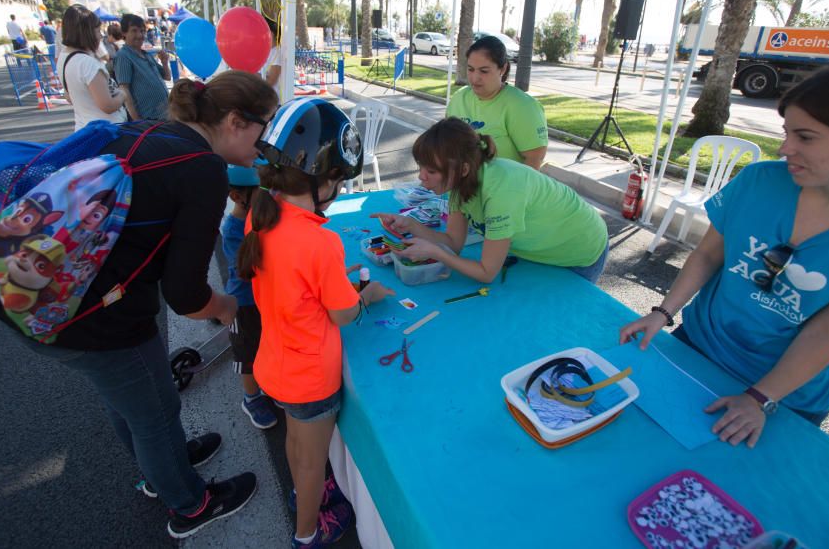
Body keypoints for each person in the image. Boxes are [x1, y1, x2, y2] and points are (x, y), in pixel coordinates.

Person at [0, 70, 279, 538]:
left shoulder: (153, 130)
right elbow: (185, 295)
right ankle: (190, 503)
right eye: (267, 128)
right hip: (92, 315)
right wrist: (225, 307)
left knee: (129, 404)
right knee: (155, 413)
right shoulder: (203, 170)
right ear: (238, 121)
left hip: (35, 291)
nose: (267, 145)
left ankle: (165, 465)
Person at [619, 58, 829, 448]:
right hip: (698, 345)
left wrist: (759, 397)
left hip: (785, 392)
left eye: (805, 137)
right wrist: (662, 312)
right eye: (787, 132)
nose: (785, 148)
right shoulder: (759, 180)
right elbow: (707, 255)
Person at [238, 98, 394, 548]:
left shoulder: (260, 214)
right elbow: (343, 313)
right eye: (339, 181)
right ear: (320, 179)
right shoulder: (319, 242)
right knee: (311, 462)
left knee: (298, 447)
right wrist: (369, 295)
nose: (340, 190)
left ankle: (303, 493)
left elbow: (294, 283)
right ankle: (307, 532)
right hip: (310, 379)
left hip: (274, 364)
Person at [374, 117, 609, 285]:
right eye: (421, 167)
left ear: (463, 168)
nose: (421, 177)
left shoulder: (501, 193)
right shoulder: (460, 182)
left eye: (431, 171)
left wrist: (437, 253)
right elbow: (454, 242)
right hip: (542, 249)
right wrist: (411, 225)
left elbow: (487, 273)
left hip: (581, 248)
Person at [220, 164, 277, 430]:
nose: (268, 195)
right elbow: (245, 270)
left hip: (265, 297)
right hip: (243, 303)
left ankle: (268, 386)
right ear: (236, 196)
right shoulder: (233, 228)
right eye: (261, 191)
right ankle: (251, 398)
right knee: (247, 354)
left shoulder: (262, 215)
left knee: (267, 344)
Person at [446, 35, 548, 170]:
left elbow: (534, 159)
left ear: (503, 69)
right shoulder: (459, 98)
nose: (475, 78)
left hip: (505, 189)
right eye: (470, 69)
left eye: (484, 71)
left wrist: (514, 191)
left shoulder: (523, 106)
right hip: (462, 188)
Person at [58, 4, 130, 129]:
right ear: (86, 33)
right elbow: (107, 105)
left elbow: (69, 96)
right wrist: (123, 94)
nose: (101, 36)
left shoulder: (64, 58)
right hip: (108, 132)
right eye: (97, 31)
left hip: (85, 129)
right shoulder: (87, 64)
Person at [115, 14, 171, 120]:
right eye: (134, 31)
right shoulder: (123, 56)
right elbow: (124, 89)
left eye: (142, 31)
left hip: (165, 115)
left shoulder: (146, 55)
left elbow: (167, 77)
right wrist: (137, 121)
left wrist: (164, 62)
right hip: (149, 120)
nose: (140, 35)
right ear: (124, 33)